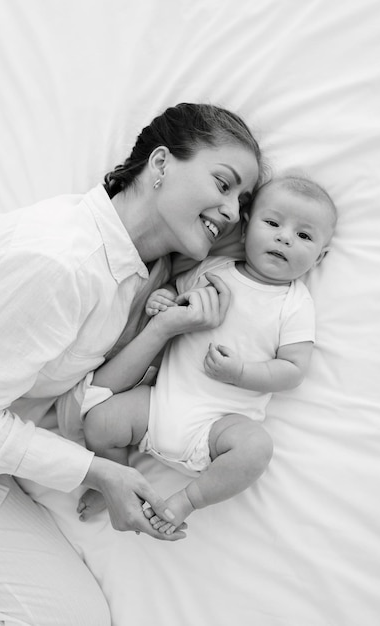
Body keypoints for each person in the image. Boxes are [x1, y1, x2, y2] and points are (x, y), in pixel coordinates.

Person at [0, 103, 261, 625]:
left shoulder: (145, 270)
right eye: (223, 184)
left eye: (243, 202)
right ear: (159, 163)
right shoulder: (62, 264)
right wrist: (98, 473)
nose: (231, 211)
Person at [78, 173, 337, 535]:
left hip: (219, 424)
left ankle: (185, 501)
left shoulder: (295, 305)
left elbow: (293, 370)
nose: (284, 237)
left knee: (256, 449)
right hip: (160, 404)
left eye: (304, 236)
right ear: (245, 230)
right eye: (273, 223)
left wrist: (242, 373)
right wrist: (163, 300)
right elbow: (177, 294)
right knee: (99, 421)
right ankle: (114, 479)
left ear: (320, 256)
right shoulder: (214, 270)